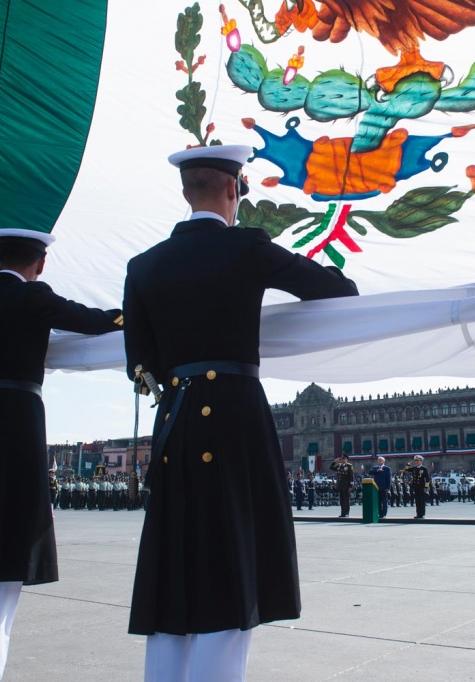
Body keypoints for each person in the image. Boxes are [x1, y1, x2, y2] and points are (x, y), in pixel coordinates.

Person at [123, 144, 358, 682]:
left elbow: (142, 364)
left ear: (187, 192)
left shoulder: (143, 266)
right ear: (234, 190)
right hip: (235, 419)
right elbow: (335, 289)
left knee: (172, 563)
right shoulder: (248, 246)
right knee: (231, 565)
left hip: (175, 423)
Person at [0, 228, 123, 682]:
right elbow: (93, 321)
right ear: (41, 264)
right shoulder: (35, 299)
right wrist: (131, 315)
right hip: (14, 424)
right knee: (2, 555)